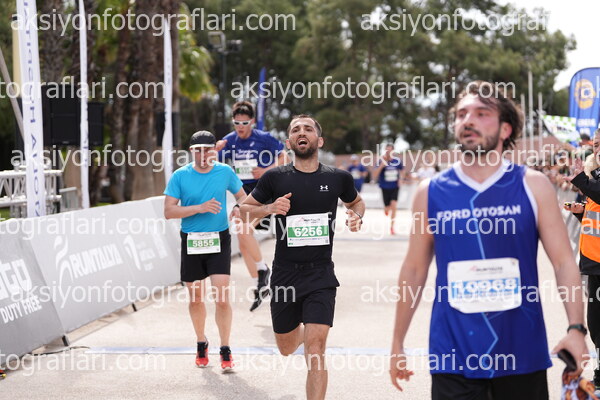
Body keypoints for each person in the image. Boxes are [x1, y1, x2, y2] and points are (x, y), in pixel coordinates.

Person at [389, 81, 588, 399]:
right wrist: (397, 342)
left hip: (522, 352)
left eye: (482, 113)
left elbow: (564, 261)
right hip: (453, 356)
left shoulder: (533, 185)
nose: (468, 120)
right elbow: (414, 268)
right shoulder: (430, 192)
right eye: (462, 114)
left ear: (505, 129)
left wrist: (576, 329)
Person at [240, 115, 365, 400]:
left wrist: (356, 216)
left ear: (319, 140)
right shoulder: (275, 177)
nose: (302, 132)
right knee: (286, 347)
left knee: (316, 348)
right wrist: (269, 208)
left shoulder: (338, 178)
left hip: (321, 274)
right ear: (289, 142)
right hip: (285, 274)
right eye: (296, 129)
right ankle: (298, 333)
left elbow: (356, 201)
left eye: (308, 129)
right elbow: (243, 212)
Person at [164, 130, 246, 370]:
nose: (203, 155)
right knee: (196, 299)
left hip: (219, 239)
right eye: (198, 150)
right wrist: (199, 208)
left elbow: (244, 197)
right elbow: (169, 211)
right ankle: (201, 342)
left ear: (214, 151)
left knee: (222, 298)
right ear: (191, 151)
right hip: (192, 240)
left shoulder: (225, 172)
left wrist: (239, 208)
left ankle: (225, 348)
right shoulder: (180, 176)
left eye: (207, 150)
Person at [216, 101, 289, 311]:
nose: (240, 127)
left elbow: (285, 157)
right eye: (236, 123)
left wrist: (266, 170)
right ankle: (259, 281)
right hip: (243, 196)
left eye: (245, 123)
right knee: (242, 239)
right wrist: (215, 150)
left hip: (263, 193)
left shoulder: (263, 138)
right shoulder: (229, 140)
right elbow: (208, 162)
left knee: (243, 230)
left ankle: (263, 271)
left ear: (253, 122)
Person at [565, 129, 600, 396]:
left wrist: (579, 179)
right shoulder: (595, 176)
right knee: (596, 323)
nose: (597, 149)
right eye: (596, 144)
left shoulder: (591, 180)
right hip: (593, 261)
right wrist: (582, 212)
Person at [373, 144, 404, 235]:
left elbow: (402, 171)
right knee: (387, 208)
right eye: (387, 150)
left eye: (390, 150)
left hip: (395, 187)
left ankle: (392, 227)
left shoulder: (397, 161)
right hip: (385, 187)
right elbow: (375, 175)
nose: (388, 152)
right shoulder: (380, 161)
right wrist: (382, 166)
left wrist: (401, 179)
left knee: (394, 205)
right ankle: (386, 209)